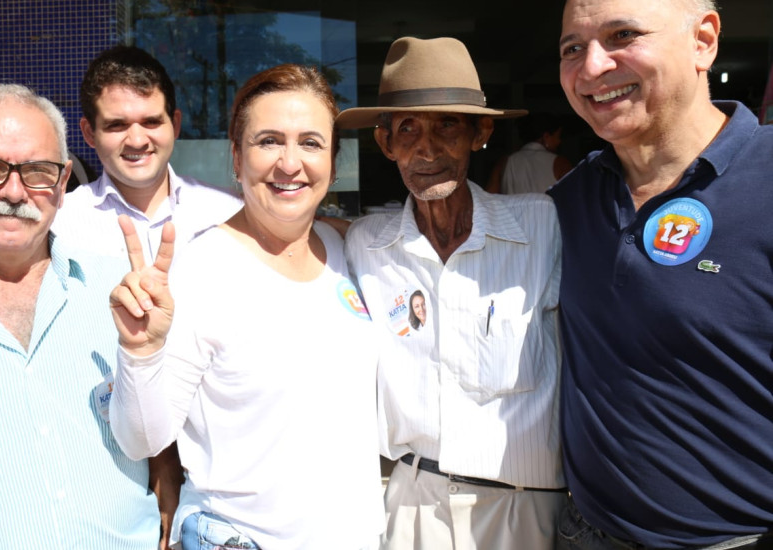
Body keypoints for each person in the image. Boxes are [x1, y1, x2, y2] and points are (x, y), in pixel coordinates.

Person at [108, 64, 384, 550]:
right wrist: (140, 352)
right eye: (269, 141)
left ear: (334, 164)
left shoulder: (343, 250)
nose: (290, 163)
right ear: (236, 158)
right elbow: (141, 439)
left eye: (311, 143)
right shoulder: (200, 270)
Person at [550, 1, 773, 548]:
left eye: (622, 35)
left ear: (704, 40)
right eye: (572, 48)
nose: (591, 67)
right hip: (583, 533)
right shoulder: (572, 198)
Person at [0, 84, 159, 548]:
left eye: (38, 171)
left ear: (62, 184)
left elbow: (160, 440)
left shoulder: (120, 294)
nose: (15, 191)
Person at [337, 36, 565, 550]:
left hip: (522, 508)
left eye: (447, 126)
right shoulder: (365, 245)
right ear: (386, 144)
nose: (427, 149)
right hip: (412, 504)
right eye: (408, 130)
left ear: (479, 133)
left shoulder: (542, 226)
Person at [52, 45, 242, 548]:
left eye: (151, 121)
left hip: (214, 470)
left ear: (175, 123)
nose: (137, 139)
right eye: (116, 125)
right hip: (103, 458)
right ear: (89, 134)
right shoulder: (59, 227)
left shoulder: (226, 215)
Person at [498, 112, 573, 194]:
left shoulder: (505, 162)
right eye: (557, 136)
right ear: (546, 136)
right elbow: (573, 197)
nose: (559, 141)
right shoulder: (560, 163)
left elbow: (489, 196)